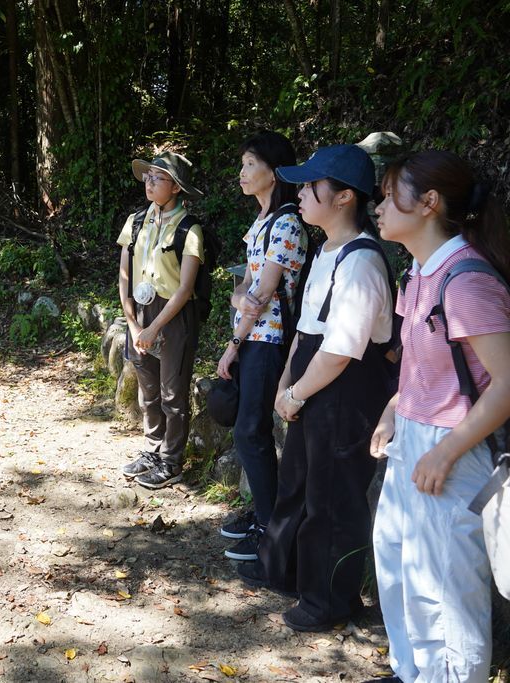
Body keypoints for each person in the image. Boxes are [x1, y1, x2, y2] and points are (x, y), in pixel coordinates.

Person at [236, 144, 395, 632]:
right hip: (312, 379)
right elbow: (308, 330)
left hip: (344, 393)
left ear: (345, 197)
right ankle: (284, 570)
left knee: (333, 497)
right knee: (297, 482)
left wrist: (295, 392)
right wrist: (288, 380)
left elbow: (342, 349)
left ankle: (328, 602)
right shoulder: (327, 250)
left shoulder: (361, 261)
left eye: (310, 186)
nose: (300, 194)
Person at [370, 150, 510, 682]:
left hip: (454, 447)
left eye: (389, 195)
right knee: (401, 567)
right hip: (415, 435)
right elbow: (420, 362)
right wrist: (392, 410)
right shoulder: (421, 270)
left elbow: (507, 384)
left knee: (446, 594)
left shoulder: (467, 280)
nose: (378, 207)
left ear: (428, 204)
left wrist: (446, 451)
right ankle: (411, 673)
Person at [216, 131, 307, 562]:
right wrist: (237, 334)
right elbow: (247, 292)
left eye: (250, 164)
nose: (243, 171)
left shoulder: (288, 222)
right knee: (249, 431)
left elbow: (261, 293)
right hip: (254, 337)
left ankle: (270, 529)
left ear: (274, 171)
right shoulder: (264, 222)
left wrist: (237, 330)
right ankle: (262, 517)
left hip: (270, 342)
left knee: (251, 430)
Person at [116, 152, 205, 489]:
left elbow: (185, 288)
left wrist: (154, 327)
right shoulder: (135, 222)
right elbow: (124, 275)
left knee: (172, 393)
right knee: (148, 391)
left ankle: (172, 461)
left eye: (158, 177)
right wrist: (134, 323)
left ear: (177, 188)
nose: (149, 182)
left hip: (173, 317)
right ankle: (152, 451)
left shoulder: (189, 229)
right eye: (148, 176)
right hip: (139, 312)